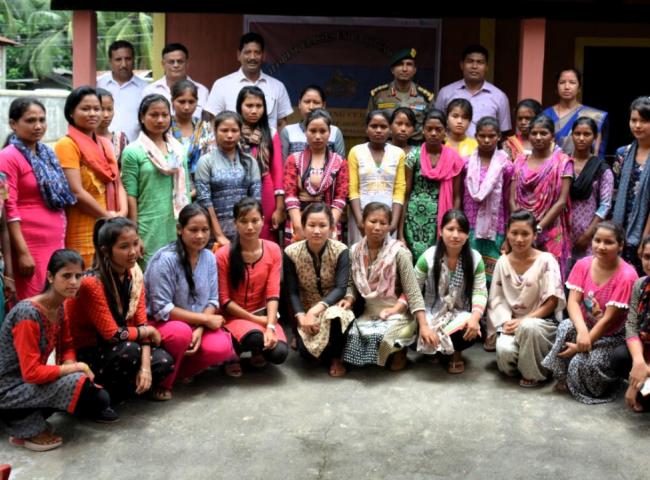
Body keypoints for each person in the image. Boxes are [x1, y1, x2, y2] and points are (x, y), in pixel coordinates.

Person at [0, 250, 116, 452]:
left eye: (78, 276)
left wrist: (70, 364)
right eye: (66, 276)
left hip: (29, 385)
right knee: (87, 389)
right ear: (50, 277)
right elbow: (31, 373)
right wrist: (75, 368)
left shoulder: (59, 307)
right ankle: (22, 425)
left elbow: (68, 344)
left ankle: (29, 422)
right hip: (8, 390)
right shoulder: (28, 314)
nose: (74, 282)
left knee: (97, 396)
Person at [68, 217, 174, 402]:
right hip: (91, 352)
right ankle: (105, 395)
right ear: (106, 250)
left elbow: (141, 323)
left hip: (122, 345)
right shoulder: (91, 283)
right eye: (124, 247)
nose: (133, 252)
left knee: (163, 360)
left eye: (135, 243)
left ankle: (122, 392)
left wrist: (145, 368)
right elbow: (113, 334)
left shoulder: (134, 275)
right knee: (130, 351)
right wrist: (148, 331)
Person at [145, 204, 238, 396]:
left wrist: (201, 328)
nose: (200, 236)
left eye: (205, 230)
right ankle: (163, 383)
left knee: (222, 348)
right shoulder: (166, 259)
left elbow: (212, 300)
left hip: (196, 324)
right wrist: (205, 320)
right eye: (193, 230)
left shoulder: (209, 257)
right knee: (181, 333)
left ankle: (180, 371)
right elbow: (162, 309)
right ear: (180, 229)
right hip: (164, 324)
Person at [542, 222, 638, 404]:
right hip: (586, 326)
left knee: (582, 362)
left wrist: (582, 344)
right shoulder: (583, 264)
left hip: (611, 335)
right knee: (565, 327)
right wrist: (582, 332)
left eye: (608, 242)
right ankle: (564, 377)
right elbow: (573, 301)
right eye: (597, 240)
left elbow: (609, 320)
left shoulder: (627, 276)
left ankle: (599, 385)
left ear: (620, 246)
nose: (601, 246)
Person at [0, 98, 75, 300]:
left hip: (54, 241)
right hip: (29, 243)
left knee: (54, 299)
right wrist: (23, 253)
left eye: (42, 120)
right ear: (13, 124)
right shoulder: (8, 157)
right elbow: (9, 207)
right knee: (34, 301)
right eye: (30, 120)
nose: (38, 126)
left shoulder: (46, 154)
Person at [339, 202, 425, 371]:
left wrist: (423, 325)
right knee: (354, 338)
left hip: (398, 311)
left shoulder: (399, 252)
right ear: (363, 222)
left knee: (384, 338)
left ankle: (400, 351)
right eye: (373, 221)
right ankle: (386, 353)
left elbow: (412, 291)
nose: (377, 227)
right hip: (370, 311)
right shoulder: (354, 251)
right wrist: (349, 299)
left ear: (389, 226)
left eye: (383, 223)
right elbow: (351, 283)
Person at [488, 210, 566, 386]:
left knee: (529, 327)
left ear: (534, 235)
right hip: (512, 324)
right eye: (514, 233)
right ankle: (529, 363)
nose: (519, 239)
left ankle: (534, 374)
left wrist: (524, 320)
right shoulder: (502, 262)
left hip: (542, 324)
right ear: (507, 233)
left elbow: (552, 302)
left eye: (525, 234)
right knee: (505, 353)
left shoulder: (546, 260)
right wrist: (506, 322)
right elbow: (497, 300)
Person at [56, 86, 128, 267]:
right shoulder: (67, 145)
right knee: (86, 275)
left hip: (112, 223)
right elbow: (76, 191)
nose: (93, 114)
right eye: (85, 109)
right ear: (71, 112)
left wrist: (122, 214)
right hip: (83, 226)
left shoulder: (106, 144)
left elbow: (117, 182)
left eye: (97, 108)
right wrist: (107, 217)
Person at [283, 203, 354, 377]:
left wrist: (314, 311)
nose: (316, 231)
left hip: (333, 305)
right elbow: (292, 291)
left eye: (322, 225)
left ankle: (336, 358)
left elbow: (341, 288)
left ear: (331, 228)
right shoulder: (291, 252)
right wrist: (302, 317)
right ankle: (305, 339)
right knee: (306, 355)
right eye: (311, 225)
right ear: (303, 226)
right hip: (306, 308)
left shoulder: (341, 250)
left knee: (336, 316)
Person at [216, 198, 288, 367]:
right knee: (255, 337)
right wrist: (257, 320)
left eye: (255, 221)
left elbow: (273, 294)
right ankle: (233, 354)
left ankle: (255, 349)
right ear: (235, 223)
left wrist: (270, 326)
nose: (250, 227)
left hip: (263, 315)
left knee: (279, 353)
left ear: (263, 220)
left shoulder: (273, 249)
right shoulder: (223, 254)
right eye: (243, 221)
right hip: (234, 316)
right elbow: (224, 300)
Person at [414, 210, 487, 374]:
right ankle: (437, 349)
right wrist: (424, 325)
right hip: (431, 312)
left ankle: (455, 354)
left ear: (467, 235)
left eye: (461, 230)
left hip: (459, 313)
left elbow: (480, 292)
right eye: (450, 229)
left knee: (470, 327)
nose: (455, 235)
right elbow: (414, 291)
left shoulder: (475, 259)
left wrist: (475, 318)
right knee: (414, 326)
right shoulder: (428, 257)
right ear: (441, 231)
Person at [121, 94, 190, 267]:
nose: (160, 120)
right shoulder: (133, 151)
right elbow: (130, 195)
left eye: (165, 115)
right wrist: (134, 234)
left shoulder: (178, 150)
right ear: (142, 117)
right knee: (150, 273)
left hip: (176, 224)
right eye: (154, 115)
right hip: (148, 226)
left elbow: (186, 189)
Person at [510, 114, 573, 279]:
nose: (538, 137)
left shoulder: (563, 162)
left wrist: (537, 228)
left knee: (548, 279)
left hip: (550, 229)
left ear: (552, 136)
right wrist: (523, 227)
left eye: (543, 133)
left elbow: (561, 202)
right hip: (521, 231)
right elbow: (512, 199)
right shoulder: (519, 161)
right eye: (534, 133)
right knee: (521, 278)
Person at [401, 109, 464, 260]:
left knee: (436, 262)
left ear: (445, 132)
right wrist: (400, 233)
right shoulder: (413, 156)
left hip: (441, 219)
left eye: (438, 129)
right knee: (414, 263)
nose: (433, 133)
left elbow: (456, 196)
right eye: (429, 129)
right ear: (423, 130)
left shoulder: (454, 159)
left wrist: (453, 224)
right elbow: (406, 194)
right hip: (413, 220)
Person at [195, 111, 261, 246]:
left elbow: (256, 198)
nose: (229, 135)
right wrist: (219, 235)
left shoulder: (250, 161)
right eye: (224, 130)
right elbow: (204, 201)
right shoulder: (205, 161)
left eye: (234, 130)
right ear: (215, 131)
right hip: (214, 235)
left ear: (240, 133)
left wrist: (250, 228)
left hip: (246, 231)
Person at [283, 109, 349, 244]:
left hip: (329, 222)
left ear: (329, 133)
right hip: (299, 221)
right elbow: (290, 195)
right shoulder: (293, 160)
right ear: (305, 132)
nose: (317, 136)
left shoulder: (340, 163)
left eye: (322, 131)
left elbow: (340, 197)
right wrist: (299, 226)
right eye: (312, 131)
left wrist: (329, 226)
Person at [204, 32, 293, 131]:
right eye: (247, 52)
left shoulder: (278, 87)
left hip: (268, 141)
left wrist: (275, 140)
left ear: (263, 56)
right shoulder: (221, 85)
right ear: (239, 55)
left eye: (257, 52)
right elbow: (213, 122)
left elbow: (281, 123)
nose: (252, 57)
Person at [463, 116, 513, 281]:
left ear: (499, 137)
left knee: (492, 277)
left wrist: (508, 234)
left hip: (495, 228)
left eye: (491, 136)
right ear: (475, 136)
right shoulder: (466, 164)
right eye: (482, 136)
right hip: (469, 225)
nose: (486, 140)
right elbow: (459, 195)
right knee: (468, 273)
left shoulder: (506, 166)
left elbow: (508, 200)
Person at [348, 110, 405, 244]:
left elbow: (399, 189)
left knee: (386, 254)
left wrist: (394, 223)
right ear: (366, 129)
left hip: (387, 218)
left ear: (390, 129)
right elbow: (353, 189)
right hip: (361, 216)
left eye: (383, 127)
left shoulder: (398, 153)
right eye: (374, 126)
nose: (378, 130)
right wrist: (360, 222)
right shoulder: (356, 151)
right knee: (360, 253)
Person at [236, 86, 285, 242]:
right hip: (238, 187)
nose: (254, 110)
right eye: (249, 105)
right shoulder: (232, 131)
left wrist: (279, 207)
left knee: (265, 235)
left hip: (266, 189)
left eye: (259, 106)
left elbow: (277, 171)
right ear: (239, 106)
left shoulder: (271, 132)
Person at [435, 45, 511, 137]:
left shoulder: (499, 97)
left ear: (487, 67)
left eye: (480, 62)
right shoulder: (445, 93)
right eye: (470, 61)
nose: (474, 66)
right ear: (462, 65)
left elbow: (504, 132)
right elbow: (436, 125)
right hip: (452, 146)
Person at [611, 236, 650, 412]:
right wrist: (639, 362)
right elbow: (632, 325)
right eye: (647, 257)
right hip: (645, 350)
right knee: (619, 356)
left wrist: (642, 374)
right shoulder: (641, 284)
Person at [612, 97, 650, 275]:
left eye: (644, 121)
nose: (638, 125)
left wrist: (646, 238)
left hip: (645, 229)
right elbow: (614, 193)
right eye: (634, 120)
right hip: (621, 227)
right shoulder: (622, 153)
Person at [569, 117, 614, 265]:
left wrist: (587, 235)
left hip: (589, 233)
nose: (581, 138)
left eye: (587, 134)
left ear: (594, 137)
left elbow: (605, 205)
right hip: (562, 232)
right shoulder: (563, 163)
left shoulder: (602, 169)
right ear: (572, 135)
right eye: (577, 134)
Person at [368, 48, 433, 143]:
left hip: (415, 146)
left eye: (409, 64)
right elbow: (369, 124)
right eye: (400, 64)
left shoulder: (425, 97)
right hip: (386, 146)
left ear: (415, 70)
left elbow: (432, 126)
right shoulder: (378, 95)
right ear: (392, 70)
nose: (404, 69)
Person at [542, 68, 608, 158]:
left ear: (579, 88)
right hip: (551, 165)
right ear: (556, 87)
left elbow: (596, 152)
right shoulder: (545, 115)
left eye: (572, 82)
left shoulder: (594, 116)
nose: (567, 87)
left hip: (583, 165)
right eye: (562, 82)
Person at [96, 40, 147, 141]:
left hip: (133, 147)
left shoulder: (145, 89)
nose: (123, 64)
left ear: (134, 60)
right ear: (110, 61)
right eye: (118, 59)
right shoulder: (98, 85)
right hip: (101, 146)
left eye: (128, 59)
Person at [142, 43, 209, 118]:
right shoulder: (150, 91)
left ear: (187, 63)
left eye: (180, 61)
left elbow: (206, 121)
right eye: (171, 62)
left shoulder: (201, 91)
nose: (176, 65)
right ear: (163, 64)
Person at [280, 85, 346, 161]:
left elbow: (340, 163)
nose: (311, 107)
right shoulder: (288, 131)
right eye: (307, 102)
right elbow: (283, 164)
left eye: (316, 102)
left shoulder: (335, 132)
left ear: (323, 105)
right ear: (299, 104)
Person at [170, 79, 215, 178]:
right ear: (172, 101)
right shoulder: (165, 127)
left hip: (200, 181)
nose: (187, 107)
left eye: (191, 102)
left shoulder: (204, 128)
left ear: (197, 102)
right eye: (181, 102)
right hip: (169, 181)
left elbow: (211, 159)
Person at [95, 88, 129, 164]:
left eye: (109, 109)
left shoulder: (121, 139)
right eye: (101, 109)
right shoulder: (82, 139)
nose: (106, 115)